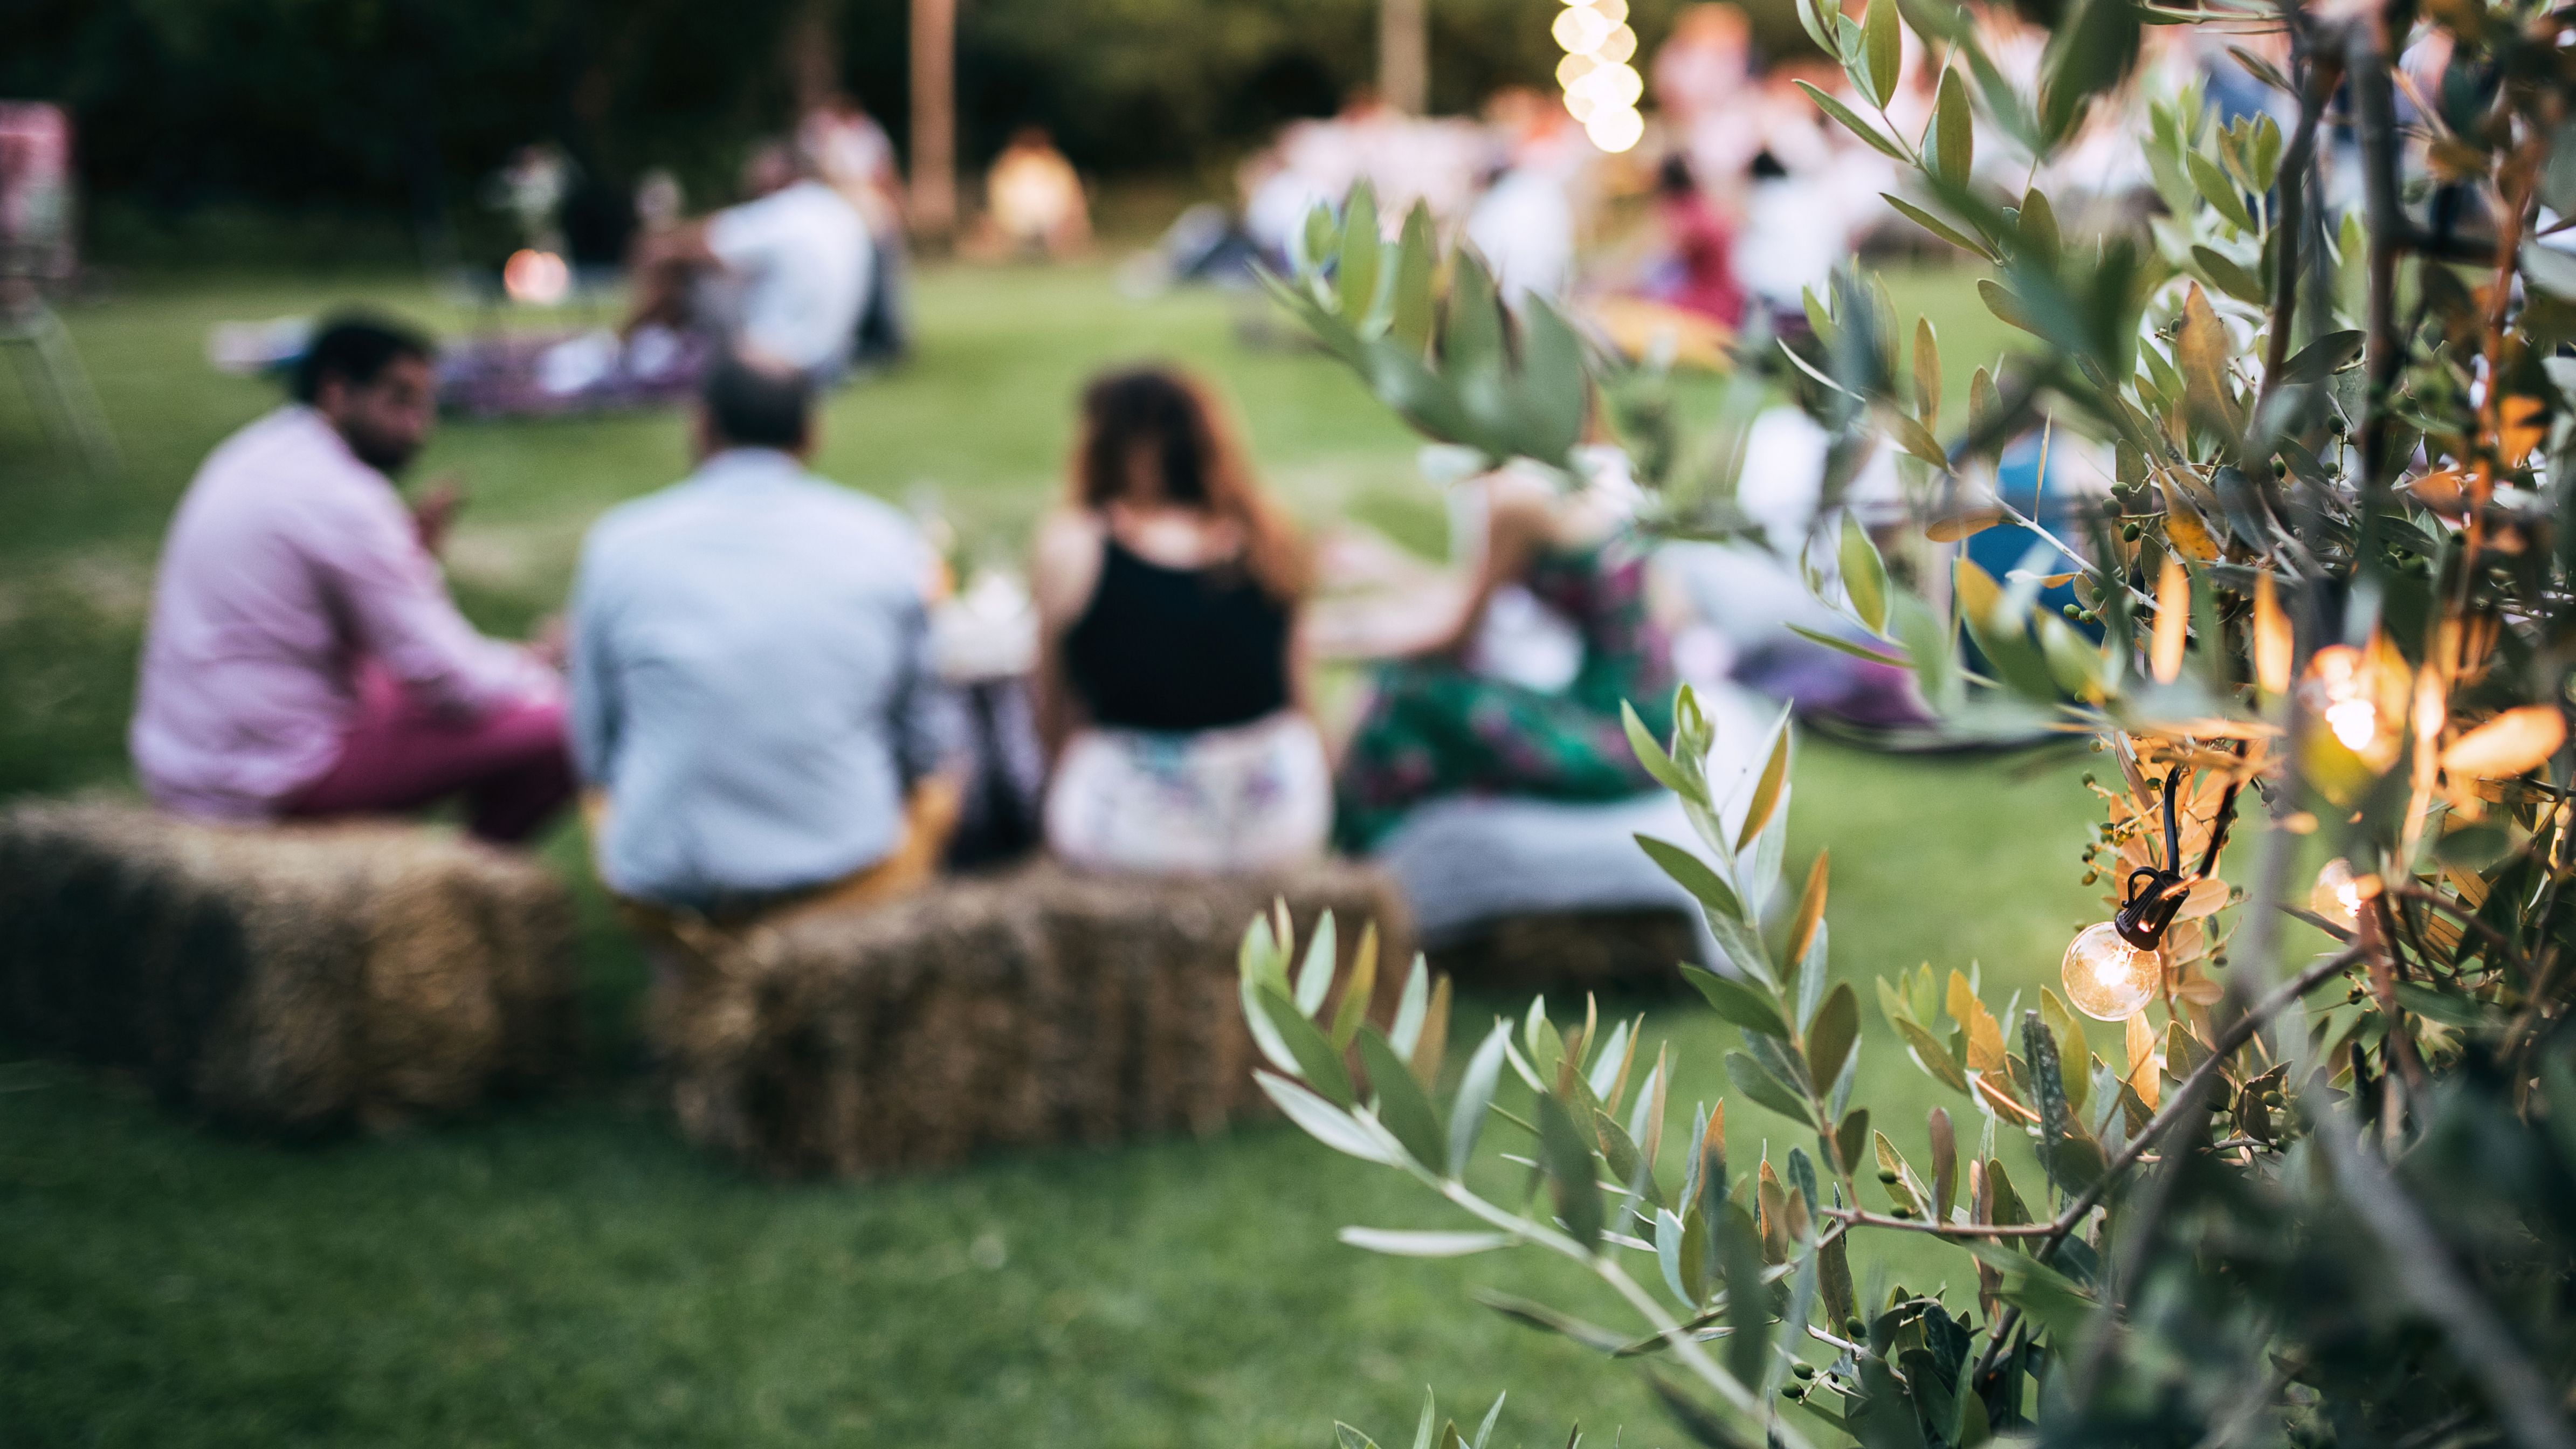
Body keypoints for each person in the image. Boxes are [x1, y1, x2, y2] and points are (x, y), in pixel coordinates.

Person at [129, 315, 573, 843]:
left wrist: (407, 562)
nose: (420, 426)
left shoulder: (257, 450)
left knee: (416, 690)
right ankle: (474, 873)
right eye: (400, 401)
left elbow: (361, 636)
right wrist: (536, 665)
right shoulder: (343, 497)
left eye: (425, 403)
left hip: (184, 759)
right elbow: (447, 680)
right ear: (337, 393)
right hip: (265, 779)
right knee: (567, 726)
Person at [568, 353, 958, 916]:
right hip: (844, 863)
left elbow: (595, 744)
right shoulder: (885, 540)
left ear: (700, 426)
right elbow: (919, 736)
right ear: (811, 433)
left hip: (672, 878)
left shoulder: (618, 544)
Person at [1030, 367, 1330, 874]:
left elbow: (1049, 711)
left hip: (1135, 830)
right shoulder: (1268, 535)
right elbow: (1301, 698)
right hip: (1275, 817)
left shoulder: (1074, 543)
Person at [1334, 453, 1677, 853]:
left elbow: (1454, 635)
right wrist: (1389, 569)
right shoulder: (1599, 469)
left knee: (1402, 693)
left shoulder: (1516, 500)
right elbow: (1669, 607)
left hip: (1615, 740)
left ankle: (1371, 857)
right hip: (1651, 713)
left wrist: (1334, 638)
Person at [625, 138, 872, 381]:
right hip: (833, 357)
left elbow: (707, 241)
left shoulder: (785, 210)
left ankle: (631, 352)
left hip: (781, 356)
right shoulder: (837, 209)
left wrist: (658, 243)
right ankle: (640, 348)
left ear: (783, 172)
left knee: (679, 265)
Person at [980, 127, 1090, 258]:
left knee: (1074, 224)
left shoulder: (1055, 162)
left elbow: (1072, 193)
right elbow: (996, 199)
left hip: (1053, 221)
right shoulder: (1006, 163)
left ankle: (1066, 256)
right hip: (1013, 223)